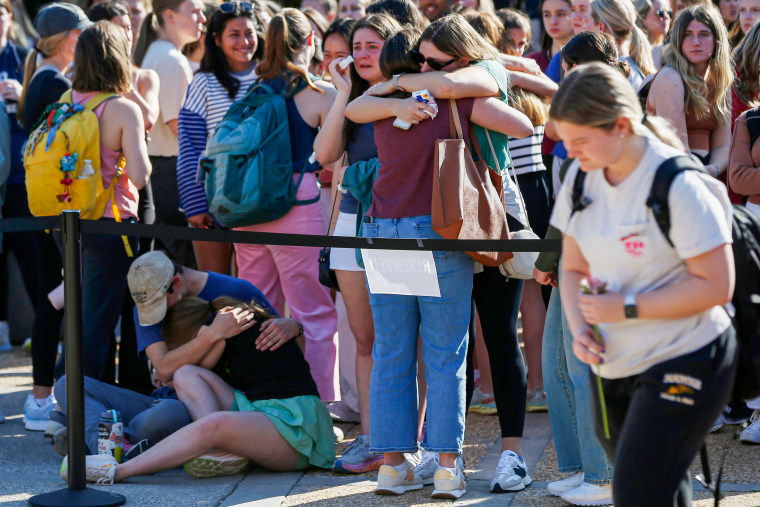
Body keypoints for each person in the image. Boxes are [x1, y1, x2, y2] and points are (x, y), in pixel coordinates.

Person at [360, 12, 554, 492]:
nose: (432, 70)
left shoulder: (383, 105)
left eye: (437, 63)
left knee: (393, 354)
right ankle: (447, 467)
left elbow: (351, 109)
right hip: (445, 230)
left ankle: (392, 464)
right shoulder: (457, 101)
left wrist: (397, 90)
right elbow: (525, 126)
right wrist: (462, 90)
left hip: (384, 230)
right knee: (448, 356)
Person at [550, 62, 736, 506]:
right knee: (660, 490)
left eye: (579, 140)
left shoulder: (677, 182)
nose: (570, 153)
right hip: (614, 363)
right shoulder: (582, 174)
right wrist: (580, 328)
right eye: (565, 141)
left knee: (636, 492)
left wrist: (627, 307)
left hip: (689, 354)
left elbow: (717, 285)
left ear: (620, 125)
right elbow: (572, 267)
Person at [61, 295, 335, 484]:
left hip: (295, 428)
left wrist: (209, 337)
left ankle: (117, 472)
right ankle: (218, 451)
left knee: (212, 423)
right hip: (263, 411)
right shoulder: (226, 326)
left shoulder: (227, 328)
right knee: (186, 373)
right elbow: (181, 373)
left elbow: (179, 368)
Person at [232, 8, 339, 402]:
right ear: (311, 42)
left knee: (256, 311)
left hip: (246, 209)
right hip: (295, 207)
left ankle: (263, 399)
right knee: (315, 314)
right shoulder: (318, 93)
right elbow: (334, 157)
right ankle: (320, 406)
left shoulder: (253, 92)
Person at [313, 13, 400, 474]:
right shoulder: (349, 98)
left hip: (399, 225)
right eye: (357, 47)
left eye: (372, 46)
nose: (362, 55)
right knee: (364, 337)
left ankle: (407, 439)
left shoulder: (409, 90)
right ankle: (370, 437)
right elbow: (325, 157)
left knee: (403, 338)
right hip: (351, 221)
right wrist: (343, 93)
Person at [56, 20, 151, 385]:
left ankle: (65, 404)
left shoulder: (64, 103)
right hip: (110, 227)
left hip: (65, 220)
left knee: (79, 320)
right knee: (97, 327)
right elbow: (141, 177)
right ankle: (77, 413)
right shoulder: (121, 109)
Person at [14, 2, 89, 431]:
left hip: (41, 206)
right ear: (73, 39)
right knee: (52, 300)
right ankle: (42, 396)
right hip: (50, 208)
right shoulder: (52, 81)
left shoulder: (41, 76)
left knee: (53, 298)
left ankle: (42, 395)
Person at [177, 3, 261, 274]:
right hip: (212, 202)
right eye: (234, 34)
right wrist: (195, 203)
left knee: (254, 291)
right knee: (216, 287)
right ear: (217, 39)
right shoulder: (203, 82)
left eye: (249, 33)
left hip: (263, 200)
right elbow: (189, 147)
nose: (244, 41)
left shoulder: (269, 77)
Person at [133, 0, 207, 268]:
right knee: (187, 267)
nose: (202, 17)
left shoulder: (155, 52)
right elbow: (182, 129)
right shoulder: (173, 60)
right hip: (174, 174)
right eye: (194, 10)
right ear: (169, 16)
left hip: (162, 173)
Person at [646, 4, 732, 178]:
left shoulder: (720, 82)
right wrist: (703, 175)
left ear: (717, 40)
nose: (696, 42)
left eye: (704, 34)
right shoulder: (670, 77)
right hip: (666, 173)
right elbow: (678, 148)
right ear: (678, 40)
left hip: (701, 171)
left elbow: (723, 147)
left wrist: (712, 170)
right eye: (687, 35)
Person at [51, 374, 191, 458]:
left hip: (184, 409)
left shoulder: (208, 329)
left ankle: (95, 439)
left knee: (169, 410)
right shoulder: (152, 325)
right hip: (148, 402)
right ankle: (113, 449)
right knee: (69, 383)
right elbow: (164, 369)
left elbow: (174, 373)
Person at [0, 0, 27, 351]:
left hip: (21, 173)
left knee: (27, 250)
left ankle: (39, 329)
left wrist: (21, 96)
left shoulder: (24, 57)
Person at [87, 1, 160, 131]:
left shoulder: (145, 77)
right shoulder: (79, 76)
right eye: (119, 29)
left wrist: (116, 75)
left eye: (129, 28)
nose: (127, 36)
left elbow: (148, 120)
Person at [592, 0, 655, 89]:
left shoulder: (614, 74)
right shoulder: (631, 65)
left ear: (600, 27)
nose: (583, 27)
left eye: (587, 21)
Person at [526, 0, 573, 71]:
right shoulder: (531, 62)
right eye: (547, 15)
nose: (553, 22)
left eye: (560, 14)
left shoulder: (587, 59)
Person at [634, 0, 671, 68]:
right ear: (642, 18)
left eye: (669, 12)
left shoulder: (673, 50)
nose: (666, 17)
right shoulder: (631, 51)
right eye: (660, 13)